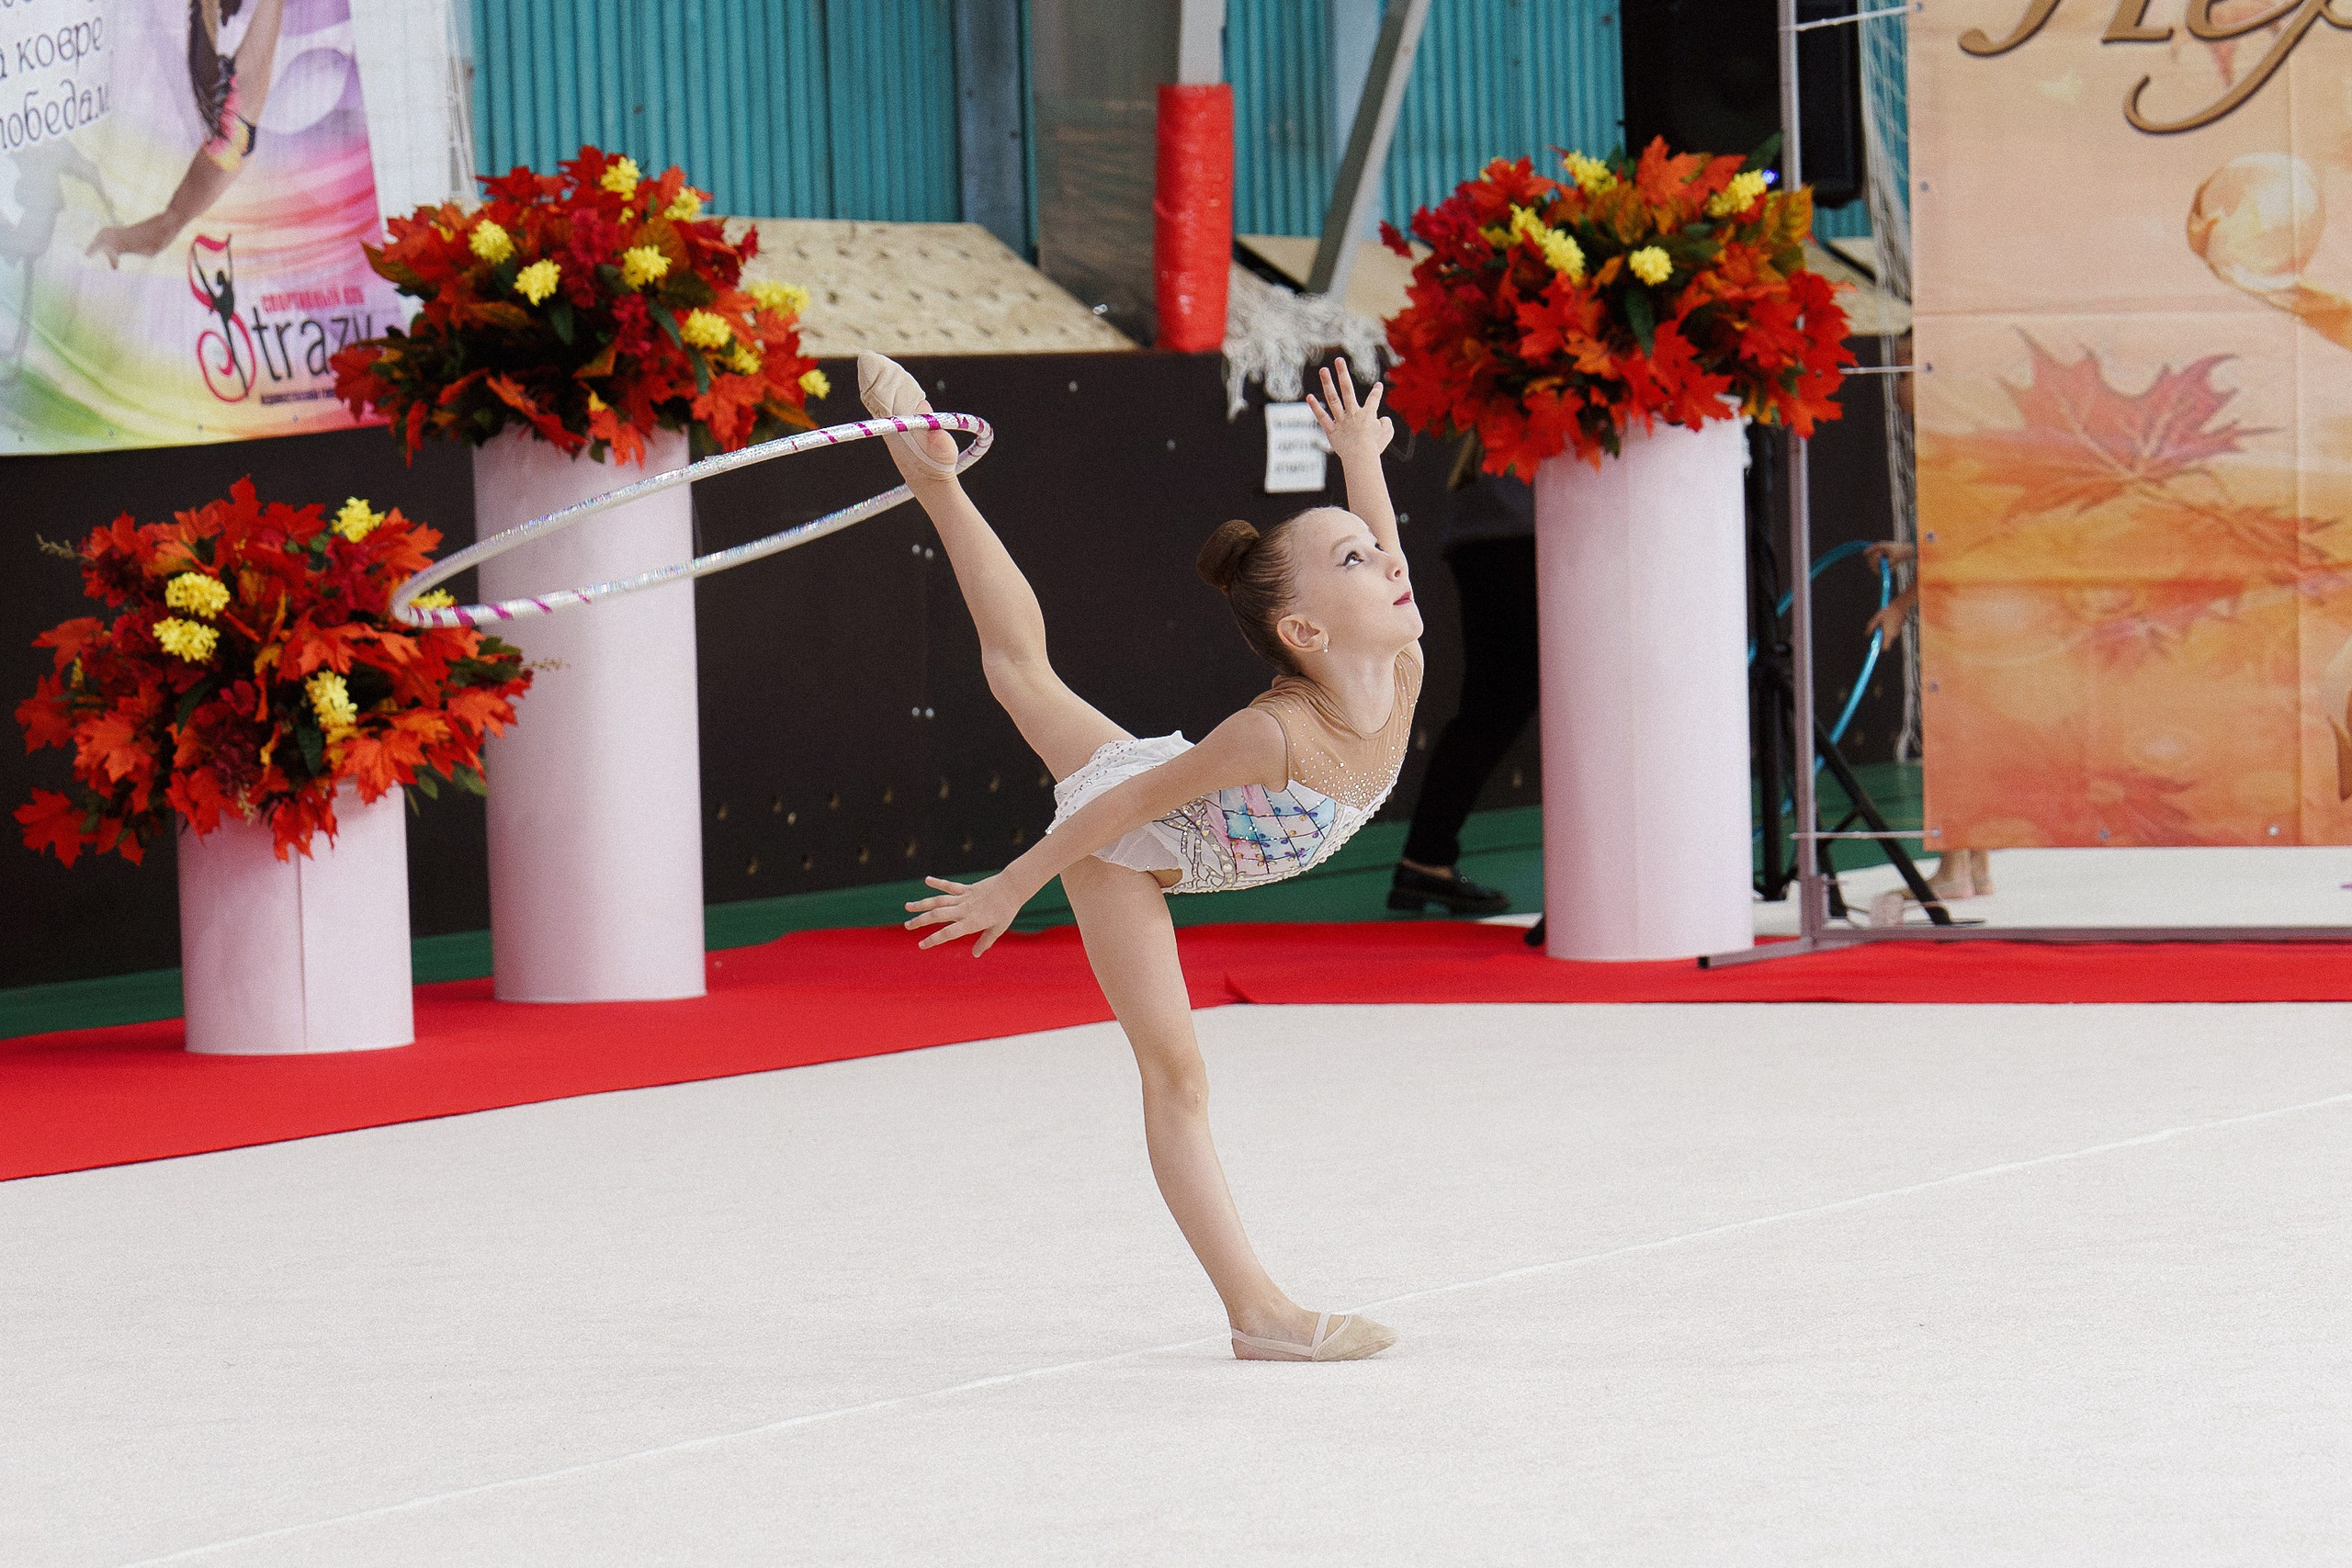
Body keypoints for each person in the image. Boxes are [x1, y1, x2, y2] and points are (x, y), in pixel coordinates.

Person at [870, 352, 1414, 1362]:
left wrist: (1355, 458)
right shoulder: (1270, 735)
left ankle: (933, 475)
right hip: (1131, 845)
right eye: (1354, 562)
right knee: (1178, 1077)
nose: (1388, 564)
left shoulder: (1399, 657)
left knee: (1022, 672)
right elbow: (1121, 802)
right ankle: (1259, 1315)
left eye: (1380, 558)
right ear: (1299, 629)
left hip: (1204, 834)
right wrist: (1012, 886)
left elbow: (1384, 549)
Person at [1388, 435, 1534, 916]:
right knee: (1497, 707)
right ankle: (1425, 857)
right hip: (1518, 523)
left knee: (1492, 708)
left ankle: (1426, 857)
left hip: (1493, 523)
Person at [88, 0, 288, 267]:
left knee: (169, 225)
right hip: (230, 122)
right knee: (170, 224)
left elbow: (157, 240)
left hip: (229, 122)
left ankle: (112, 239)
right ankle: (112, 239)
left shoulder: (224, 152)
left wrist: (117, 241)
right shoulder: (227, 151)